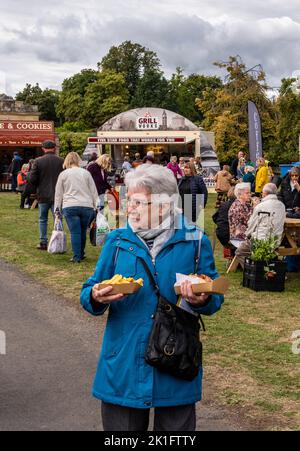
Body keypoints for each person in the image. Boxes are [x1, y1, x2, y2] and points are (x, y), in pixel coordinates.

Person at [80, 164, 223, 432]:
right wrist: (97, 296)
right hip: (124, 362)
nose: (129, 208)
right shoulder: (117, 241)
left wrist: (202, 299)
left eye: (137, 202)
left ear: (163, 206)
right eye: (128, 201)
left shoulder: (195, 241)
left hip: (176, 360)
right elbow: (88, 291)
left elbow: (214, 297)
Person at [55, 152, 99, 263]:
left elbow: (58, 193)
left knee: (75, 232)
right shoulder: (86, 173)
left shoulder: (63, 174)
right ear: (78, 160)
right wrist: (97, 205)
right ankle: (81, 253)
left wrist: (57, 208)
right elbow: (93, 191)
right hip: (86, 206)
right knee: (83, 231)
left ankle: (77, 256)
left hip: (70, 206)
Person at [235, 183, 286, 268]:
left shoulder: (261, 206)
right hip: (276, 241)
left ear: (265, 193)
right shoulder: (282, 206)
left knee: (240, 252)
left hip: (260, 240)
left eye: (262, 193)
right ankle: (263, 269)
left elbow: (251, 225)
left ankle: (253, 270)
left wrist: (247, 235)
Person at [28, 140, 64, 250]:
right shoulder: (61, 161)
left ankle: (43, 242)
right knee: (57, 218)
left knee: (42, 219)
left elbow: (32, 179)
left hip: (43, 194)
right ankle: (58, 242)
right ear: (54, 148)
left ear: (43, 149)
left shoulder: (38, 161)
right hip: (57, 195)